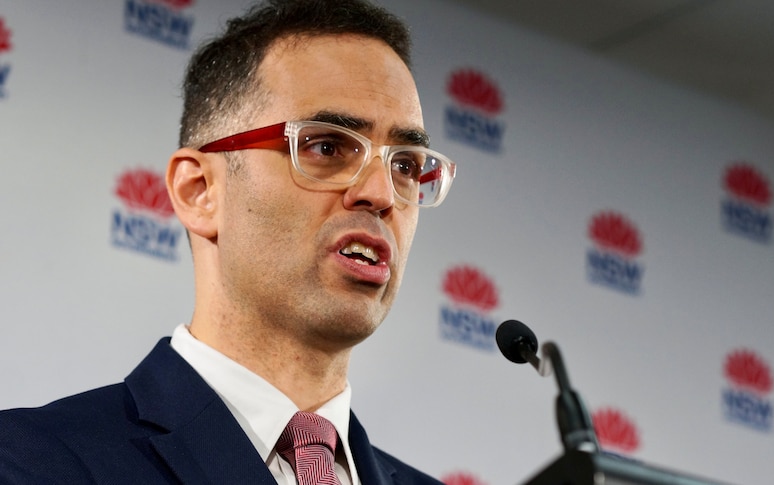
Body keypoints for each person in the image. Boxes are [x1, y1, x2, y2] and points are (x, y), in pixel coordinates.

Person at [0, 0, 456, 483]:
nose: (382, 193)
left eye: (406, 165)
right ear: (199, 192)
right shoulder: (33, 462)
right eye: (327, 147)